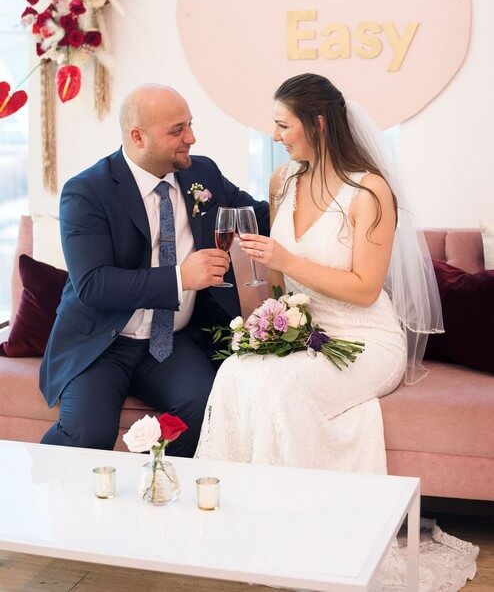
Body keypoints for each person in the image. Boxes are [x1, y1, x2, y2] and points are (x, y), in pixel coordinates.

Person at [196, 73, 442, 472]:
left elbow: (366, 289)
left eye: (283, 125)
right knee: (232, 372)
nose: (275, 136)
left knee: (283, 389)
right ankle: (230, 495)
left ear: (319, 123)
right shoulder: (282, 181)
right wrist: (265, 319)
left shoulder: (369, 191)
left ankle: (289, 502)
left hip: (366, 340)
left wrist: (285, 261)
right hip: (304, 335)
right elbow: (277, 283)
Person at [39, 84, 269, 456]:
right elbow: (94, 284)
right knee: (86, 435)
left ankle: (158, 483)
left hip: (173, 342)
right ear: (138, 137)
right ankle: (36, 484)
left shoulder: (203, 173)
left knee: (206, 409)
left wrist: (310, 185)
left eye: (190, 125)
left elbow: (258, 216)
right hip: (104, 341)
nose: (191, 138)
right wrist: (181, 277)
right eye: (177, 130)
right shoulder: (87, 191)